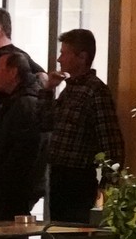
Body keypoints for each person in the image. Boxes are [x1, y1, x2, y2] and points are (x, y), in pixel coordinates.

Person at [42, 28, 126, 224]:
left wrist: (107, 187)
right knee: (58, 230)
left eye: (64, 53)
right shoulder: (69, 90)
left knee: (74, 232)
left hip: (78, 180)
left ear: (82, 57)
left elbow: (111, 142)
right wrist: (48, 90)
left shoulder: (95, 91)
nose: (59, 59)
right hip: (57, 175)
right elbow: (44, 123)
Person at [0, 50, 49, 222]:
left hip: (13, 192)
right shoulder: (20, 101)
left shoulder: (25, 104)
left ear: (13, 72)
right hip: (10, 190)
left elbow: (24, 155)